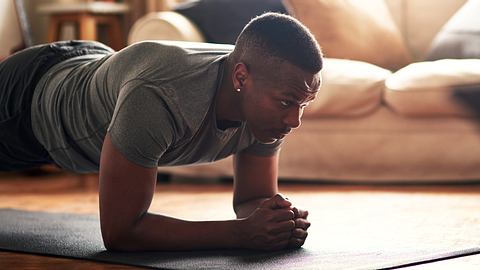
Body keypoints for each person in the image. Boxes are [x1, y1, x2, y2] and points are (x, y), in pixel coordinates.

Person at [0, 12, 323, 251]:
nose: (294, 120)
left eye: (304, 104)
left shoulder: (268, 98)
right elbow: (121, 232)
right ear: (240, 78)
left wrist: (275, 221)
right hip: (27, 101)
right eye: (287, 103)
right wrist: (240, 233)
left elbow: (254, 198)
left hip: (89, 64)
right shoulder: (160, 96)